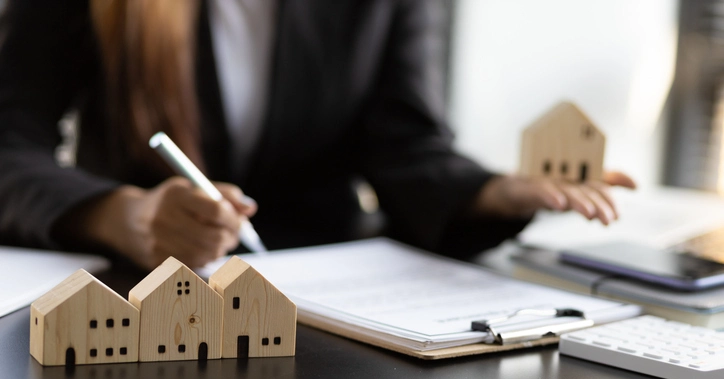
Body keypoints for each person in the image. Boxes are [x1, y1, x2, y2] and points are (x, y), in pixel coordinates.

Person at [0, 0, 634, 271]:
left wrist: (497, 192)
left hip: (326, 316)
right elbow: (9, 147)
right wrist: (126, 217)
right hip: (140, 304)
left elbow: (405, 147)